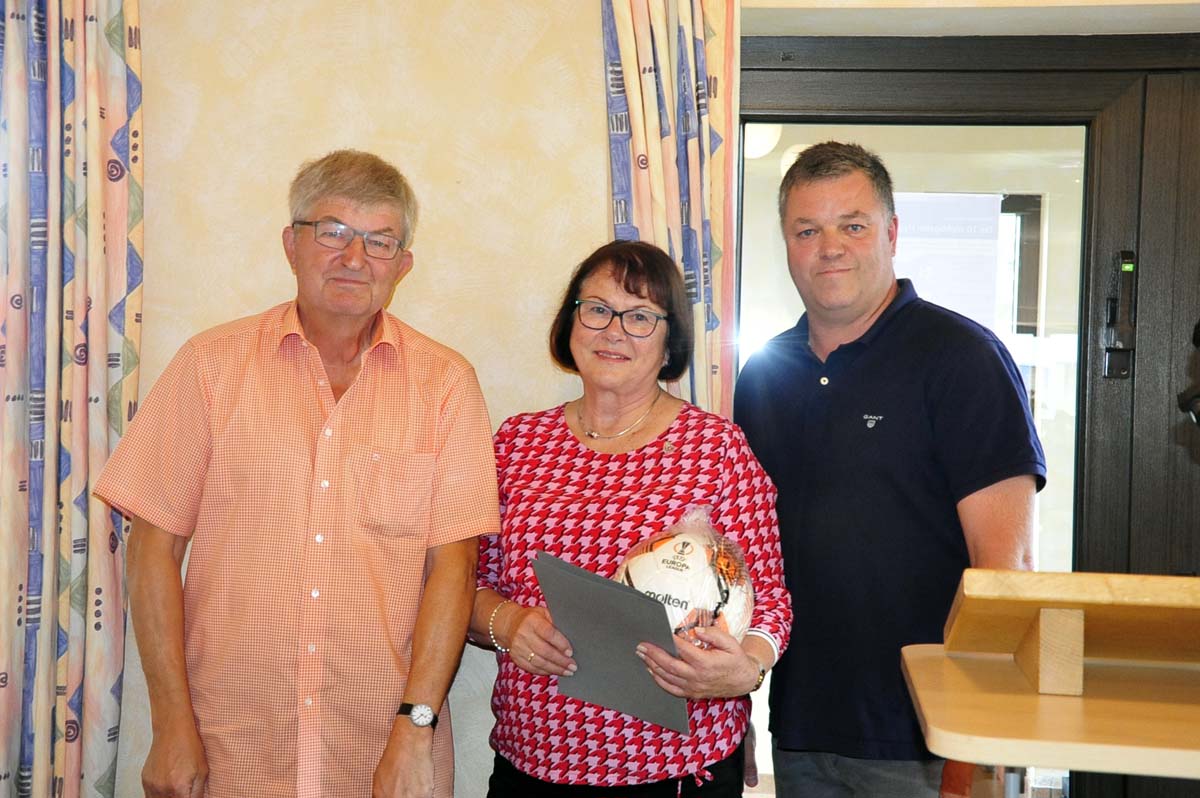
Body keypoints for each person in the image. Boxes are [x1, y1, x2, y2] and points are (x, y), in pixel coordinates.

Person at [94, 150, 499, 798]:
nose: (354, 257)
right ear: (292, 243)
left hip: (383, 749)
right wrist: (170, 723)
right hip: (232, 749)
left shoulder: (446, 384)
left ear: (404, 264)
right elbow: (152, 548)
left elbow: (453, 569)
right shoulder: (210, 367)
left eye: (379, 241)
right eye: (332, 231)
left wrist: (416, 727)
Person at [733, 141, 1047, 798]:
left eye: (853, 225)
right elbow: (748, 566)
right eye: (807, 230)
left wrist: (972, 747)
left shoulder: (961, 358)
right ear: (787, 243)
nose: (830, 248)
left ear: (892, 233)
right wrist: (739, 722)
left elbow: (1005, 573)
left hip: (930, 742)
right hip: (804, 728)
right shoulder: (763, 378)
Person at [470, 240, 792, 796]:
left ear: (671, 341)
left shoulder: (716, 450)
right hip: (533, 762)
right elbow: (465, 586)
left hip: (678, 768)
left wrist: (747, 670)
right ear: (570, 323)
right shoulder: (518, 444)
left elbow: (770, 602)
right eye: (597, 309)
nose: (613, 331)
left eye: (640, 316)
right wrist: (508, 625)